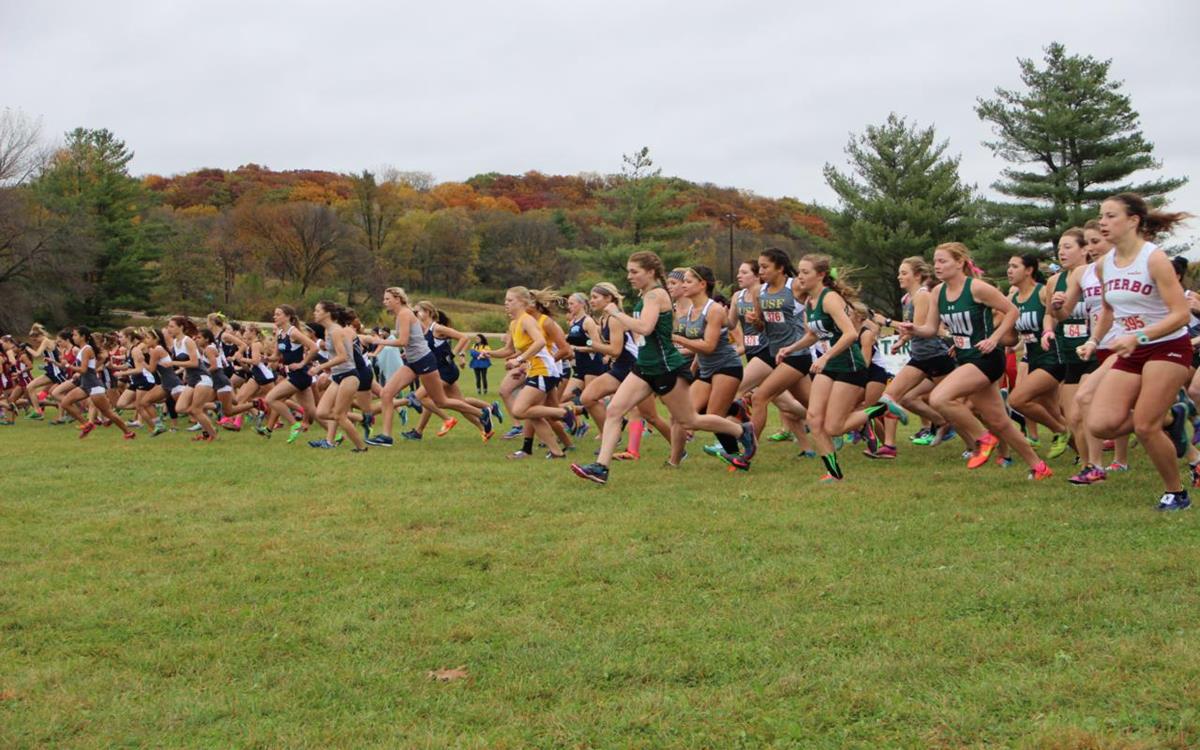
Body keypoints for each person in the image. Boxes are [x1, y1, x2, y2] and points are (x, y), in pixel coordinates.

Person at [570, 251, 756, 484]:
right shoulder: (646, 294)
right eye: (629, 271)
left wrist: (617, 313)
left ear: (650, 272)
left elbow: (646, 328)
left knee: (689, 420)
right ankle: (601, 467)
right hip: (644, 366)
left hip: (665, 367)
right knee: (615, 410)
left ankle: (742, 432)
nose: (629, 276)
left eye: (634, 271)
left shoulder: (656, 295)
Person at [897, 243, 1052, 479]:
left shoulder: (977, 288)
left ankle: (983, 439)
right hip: (966, 358)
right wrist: (914, 329)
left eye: (943, 261)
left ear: (960, 263)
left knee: (940, 397)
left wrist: (994, 339)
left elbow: (1012, 311)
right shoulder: (938, 292)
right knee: (999, 421)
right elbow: (930, 328)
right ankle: (1039, 467)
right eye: (935, 261)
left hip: (986, 358)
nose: (937, 266)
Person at [1082, 193, 1193, 510]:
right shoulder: (1104, 265)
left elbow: (1181, 314)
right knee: (1101, 423)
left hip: (1168, 345)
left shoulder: (1154, 258)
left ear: (1133, 221)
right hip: (1134, 347)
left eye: (1110, 216)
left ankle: (1176, 493)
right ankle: (1172, 416)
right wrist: (1094, 340)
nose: (1103, 222)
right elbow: (1106, 310)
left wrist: (1140, 335)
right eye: (1101, 216)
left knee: (1145, 425)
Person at [774, 256, 868, 481]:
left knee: (834, 427)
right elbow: (813, 335)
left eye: (806, 272)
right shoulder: (810, 301)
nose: (800, 277)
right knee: (814, 420)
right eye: (799, 272)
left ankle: (881, 408)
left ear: (821, 275)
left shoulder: (830, 299)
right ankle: (834, 473)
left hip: (848, 364)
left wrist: (825, 357)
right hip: (828, 364)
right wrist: (790, 348)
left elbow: (851, 334)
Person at [366, 287, 493, 447]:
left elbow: (403, 341)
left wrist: (378, 341)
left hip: (424, 361)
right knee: (386, 393)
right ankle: (386, 437)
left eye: (387, 299)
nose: (384, 302)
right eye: (384, 299)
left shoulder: (405, 314)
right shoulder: (402, 315)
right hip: (413, 362)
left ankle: (482, 413)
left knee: (441, 401)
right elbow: (418, 335)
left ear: (397, 299)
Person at [670, 265, 743, 467]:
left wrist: (677, 339)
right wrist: (692, 369)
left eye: (688, 281)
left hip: (727, 366)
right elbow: (699, 350)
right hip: (706, 369)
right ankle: (673, 462)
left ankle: (740, 447)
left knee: (713, 417)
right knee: (683, 416)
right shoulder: (691, 309)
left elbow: (709, 346)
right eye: (683, 281)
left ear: (702, 284)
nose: (683, 285)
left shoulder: (714, 309)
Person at [1005, 254, 1069, 455]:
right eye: (1009, 266)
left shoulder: (1042, 293)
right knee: (1054, 411)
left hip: (1053, 357)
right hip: (1033, 358)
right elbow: (1011, 338)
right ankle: (1081, 454)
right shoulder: (1012, 300)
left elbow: (1059, 317)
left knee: (1017, 400)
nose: (1009, 270)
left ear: (1029, 270)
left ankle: (1060, 431)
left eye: (1014, 266)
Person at [307, 301, 368, 451]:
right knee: (321, 412)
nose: (315, 313)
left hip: (349, 376)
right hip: (337, 376)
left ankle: (361, 448)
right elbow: (333, 355)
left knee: (339, 415)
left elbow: (343, 356)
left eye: (317, 310)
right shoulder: (328, 331)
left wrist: (321, 367)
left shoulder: (335, 331)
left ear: (327, 313)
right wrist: (328, 369)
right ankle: (363, 419)